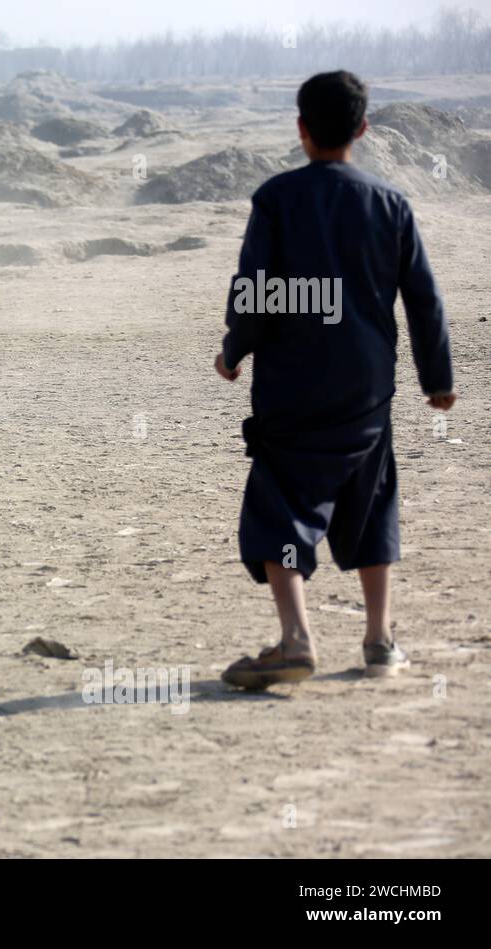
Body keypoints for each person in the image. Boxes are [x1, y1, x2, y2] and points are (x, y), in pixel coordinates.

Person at [215, 70, 455, 689]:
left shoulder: (276, 198)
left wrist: (233, 350)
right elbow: (423, 300)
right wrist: (438, 377)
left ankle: (296, 639)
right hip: (366, 390)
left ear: (300, 130)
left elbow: (255, 290)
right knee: (372, 500)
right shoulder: (390, 203)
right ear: (363, 129)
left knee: (282, 506)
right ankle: (379, 642)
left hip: (292, 388)